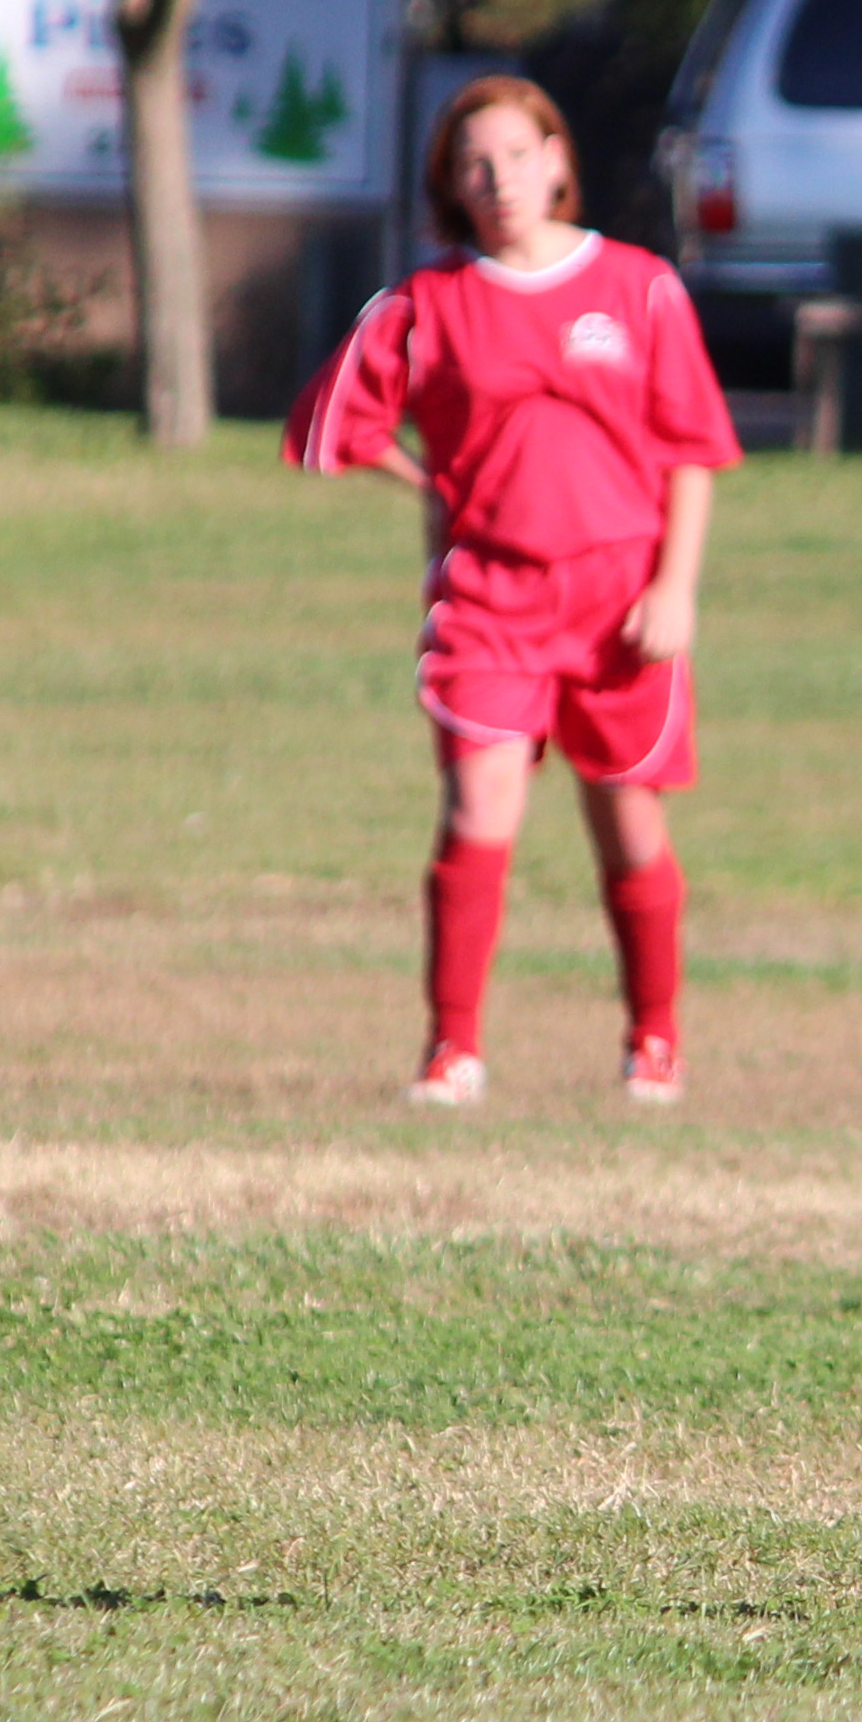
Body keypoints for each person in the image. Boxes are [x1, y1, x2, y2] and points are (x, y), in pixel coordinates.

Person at [286, 74, 739, 1108]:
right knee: (479, 806)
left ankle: (655, 1040)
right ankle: (452, 1050)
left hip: (622, 599)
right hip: (490, 597)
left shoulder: (638, 287)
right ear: (450, 184)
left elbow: (692, 450)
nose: (499, 181)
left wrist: (676, 586)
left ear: (558, 160)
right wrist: (429, 486)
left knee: (628, 825)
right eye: (474, 166)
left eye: (518, 157)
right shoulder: (427, 303)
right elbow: (333, 422)